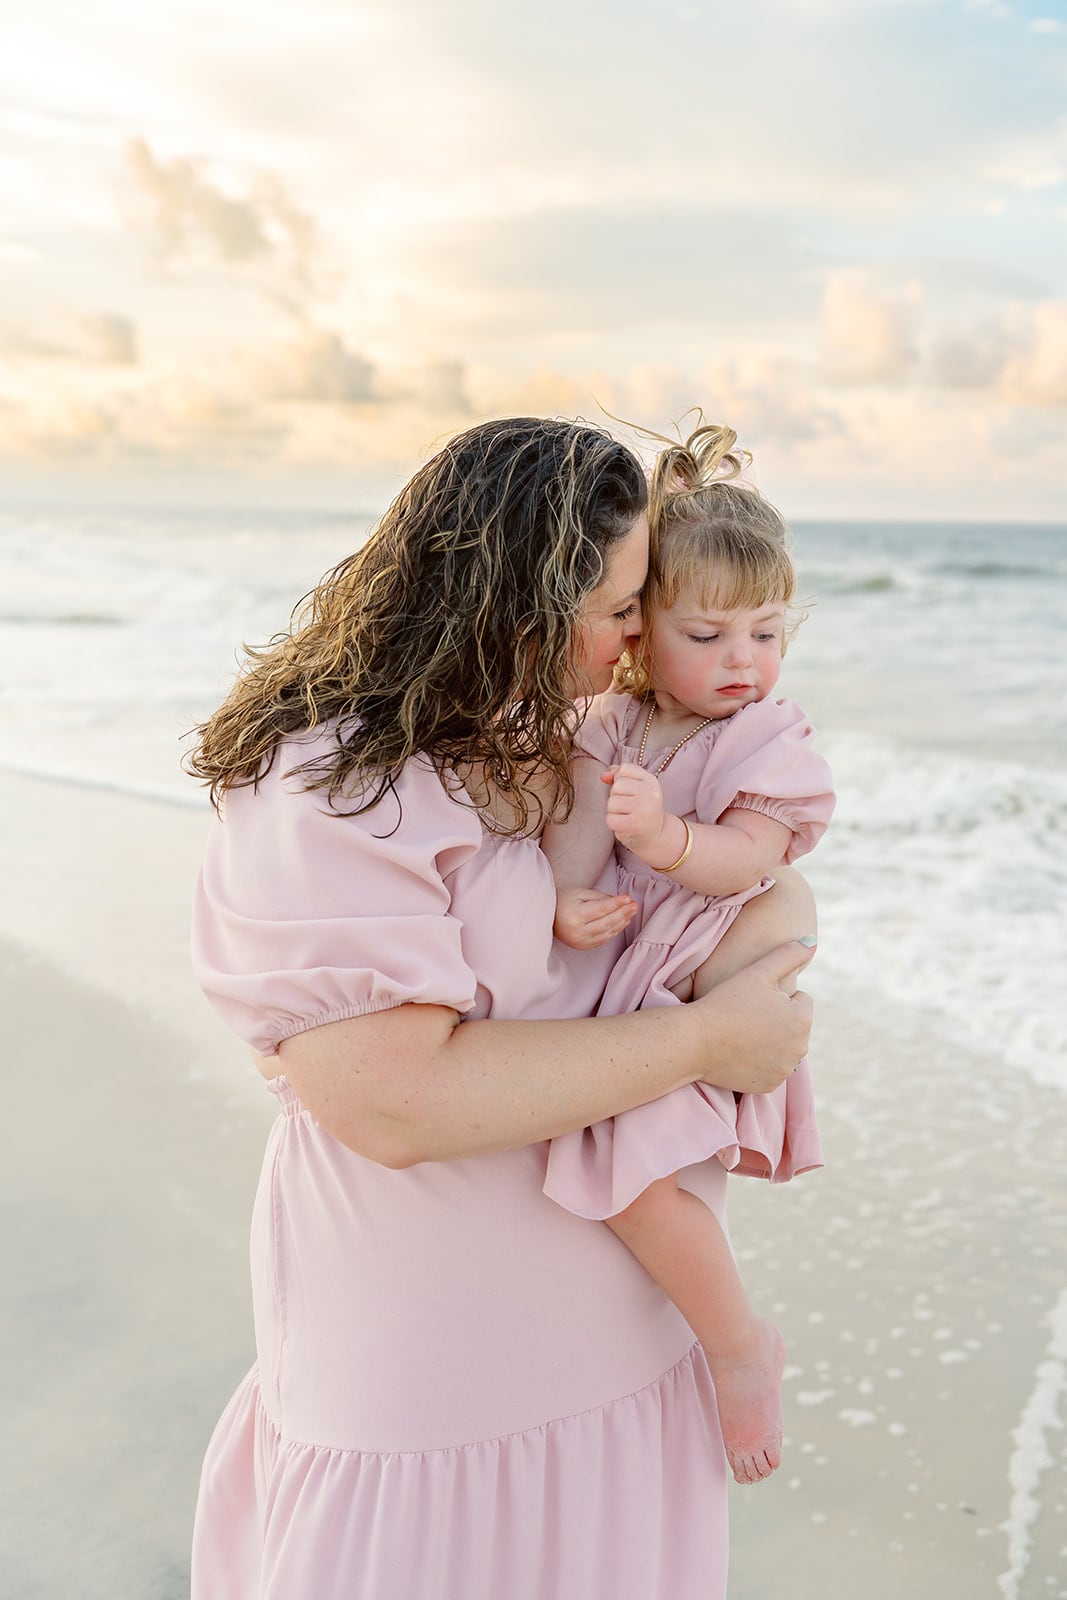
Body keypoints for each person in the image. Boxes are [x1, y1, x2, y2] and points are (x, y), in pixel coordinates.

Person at [185, 416, 817, 1600]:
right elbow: (394, 1102)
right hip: (429, 1354)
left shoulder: (560, 742)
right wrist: (703, 1038)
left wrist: (767, 948)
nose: (636, 637)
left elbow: (768, 883)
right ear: (524, 602)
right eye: (622, 606)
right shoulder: (325, 783)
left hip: (614, 1336)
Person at [542, 421, 834, 1487]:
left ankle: (736, 1341)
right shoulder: (611, 722)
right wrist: (567, 901)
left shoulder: (768, 740)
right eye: (707, 634)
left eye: (765, 632)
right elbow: (570, 835)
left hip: (695, 982)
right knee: (604, 1165)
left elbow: (751, 857)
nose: (742, 661)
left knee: (630, 1178)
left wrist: (668, 840)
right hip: (628, 981)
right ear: (638, 628)